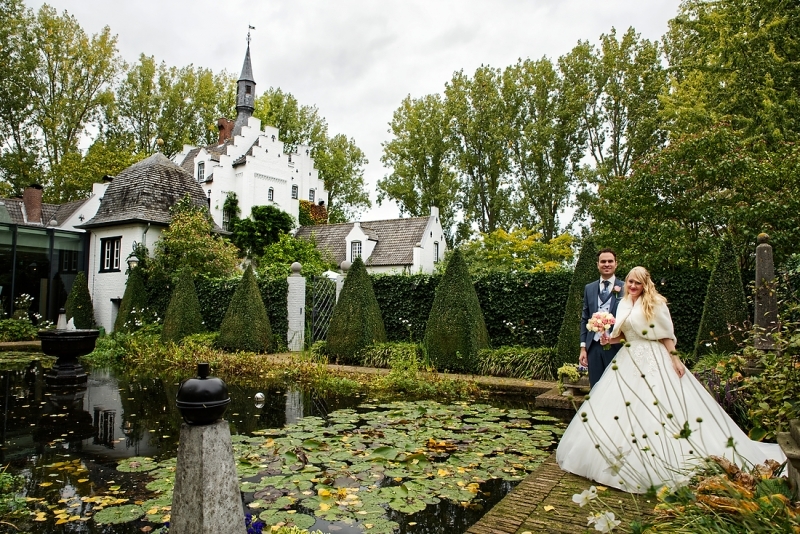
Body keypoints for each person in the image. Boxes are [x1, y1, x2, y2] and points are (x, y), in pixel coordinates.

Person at [557, 266, 785, 493]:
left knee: (657, 406)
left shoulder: (655, 303)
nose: (633, 286)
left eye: (637, 283)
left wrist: (675, 360)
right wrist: (609, 340)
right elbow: (626, 335)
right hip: (628, 358)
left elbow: (666, 335)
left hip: (654, 358)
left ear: (645, 284)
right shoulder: (624, 302)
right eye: (630, 282)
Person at [580, 248, 625, 387]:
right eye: (603, 261)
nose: (607, 264)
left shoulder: (625, 287)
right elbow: (585, 317)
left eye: (610, 261)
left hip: (617, 345)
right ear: (597, 264)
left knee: (616, 386)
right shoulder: (589, 288)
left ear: (616, 264)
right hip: (593, 346)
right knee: (595, 386)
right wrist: (583, 348)